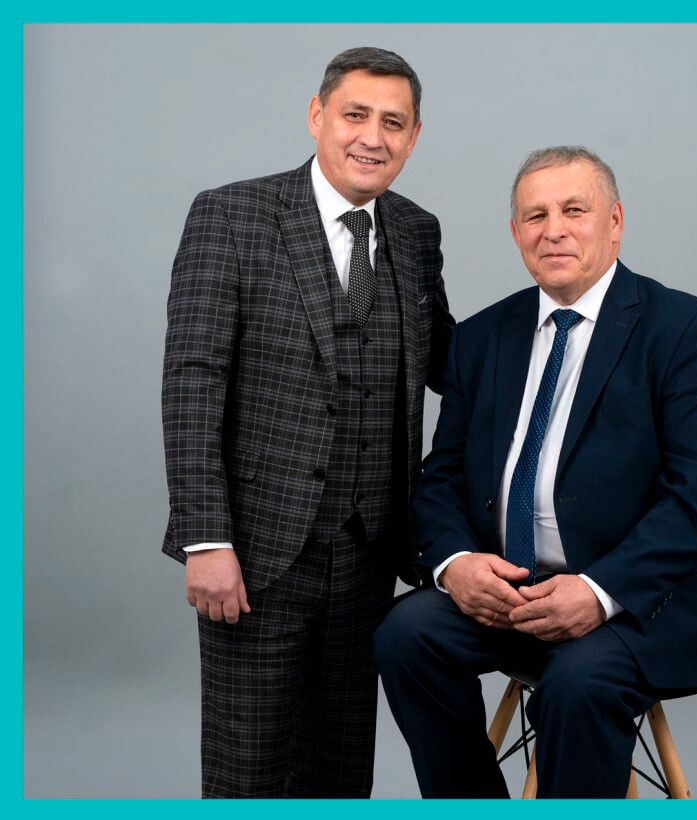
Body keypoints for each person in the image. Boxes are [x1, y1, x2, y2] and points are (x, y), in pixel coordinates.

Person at [375, 146, 697, 799]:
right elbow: (441, 476)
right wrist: (456, 564)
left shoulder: (684, 329)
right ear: (516, 232)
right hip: (512, 592)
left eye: (574, 210)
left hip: (639, 603)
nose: (553, 230)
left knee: (576, 684)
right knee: (405, 636)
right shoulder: (483, 337)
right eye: (535, 216)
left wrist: (598, 591)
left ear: (615, 221)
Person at [161, 46, 453, 798]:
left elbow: (451, 362)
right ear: (318, 116)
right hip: (256, 548)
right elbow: (192, 382)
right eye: (356, 115)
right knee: (248, 768)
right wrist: (206, 539)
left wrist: (567, 327)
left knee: (341, 771)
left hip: (370, 551)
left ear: (414, 136)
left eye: (393, 122)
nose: (373, 137)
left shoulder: (416, 232)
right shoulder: (230, 215)